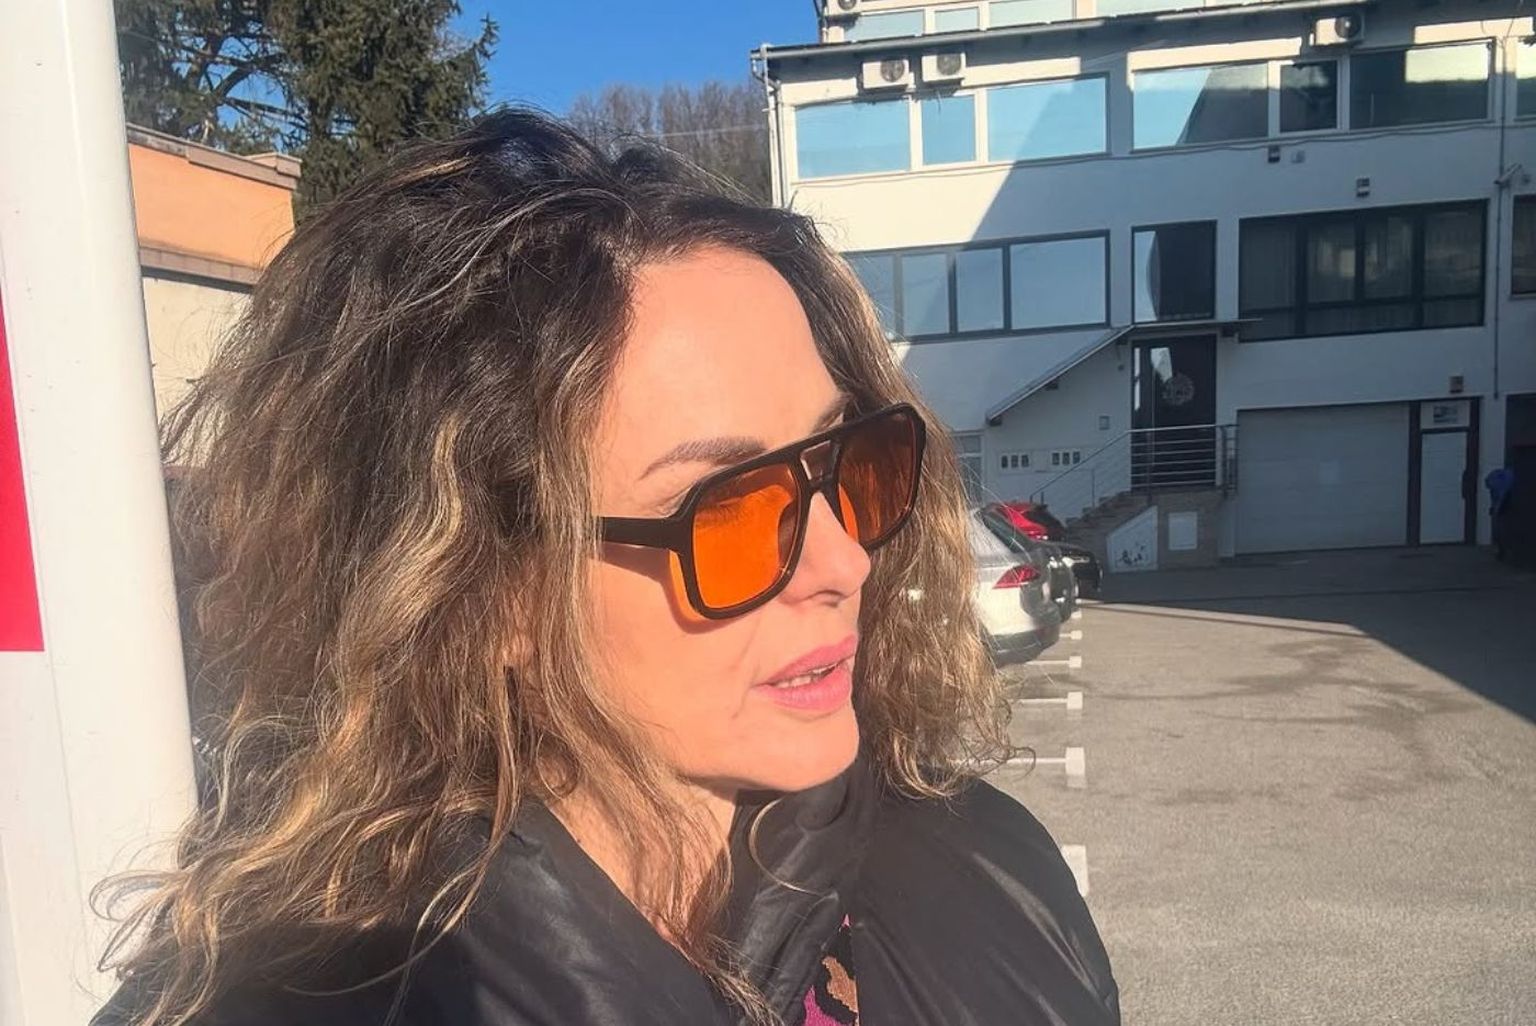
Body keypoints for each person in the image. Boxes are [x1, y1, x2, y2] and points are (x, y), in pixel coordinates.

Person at [95, 109, 1119, 1026]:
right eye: (729, 508)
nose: (844, 559)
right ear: (488, 589)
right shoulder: (293, 999)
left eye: (847, 462)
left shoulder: (998, 877)